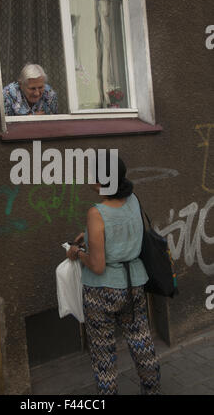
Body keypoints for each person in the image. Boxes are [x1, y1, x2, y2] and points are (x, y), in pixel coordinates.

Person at [67, 152, 161, 395]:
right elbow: (123, 229)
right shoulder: (133, 200)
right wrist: (88, 235)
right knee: (142, 343)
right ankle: (152, 390)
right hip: (134, 285)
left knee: (104, 357)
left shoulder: (96, 212)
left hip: (102, 292)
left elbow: (97, 265)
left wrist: (77, 252)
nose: (90, 179)